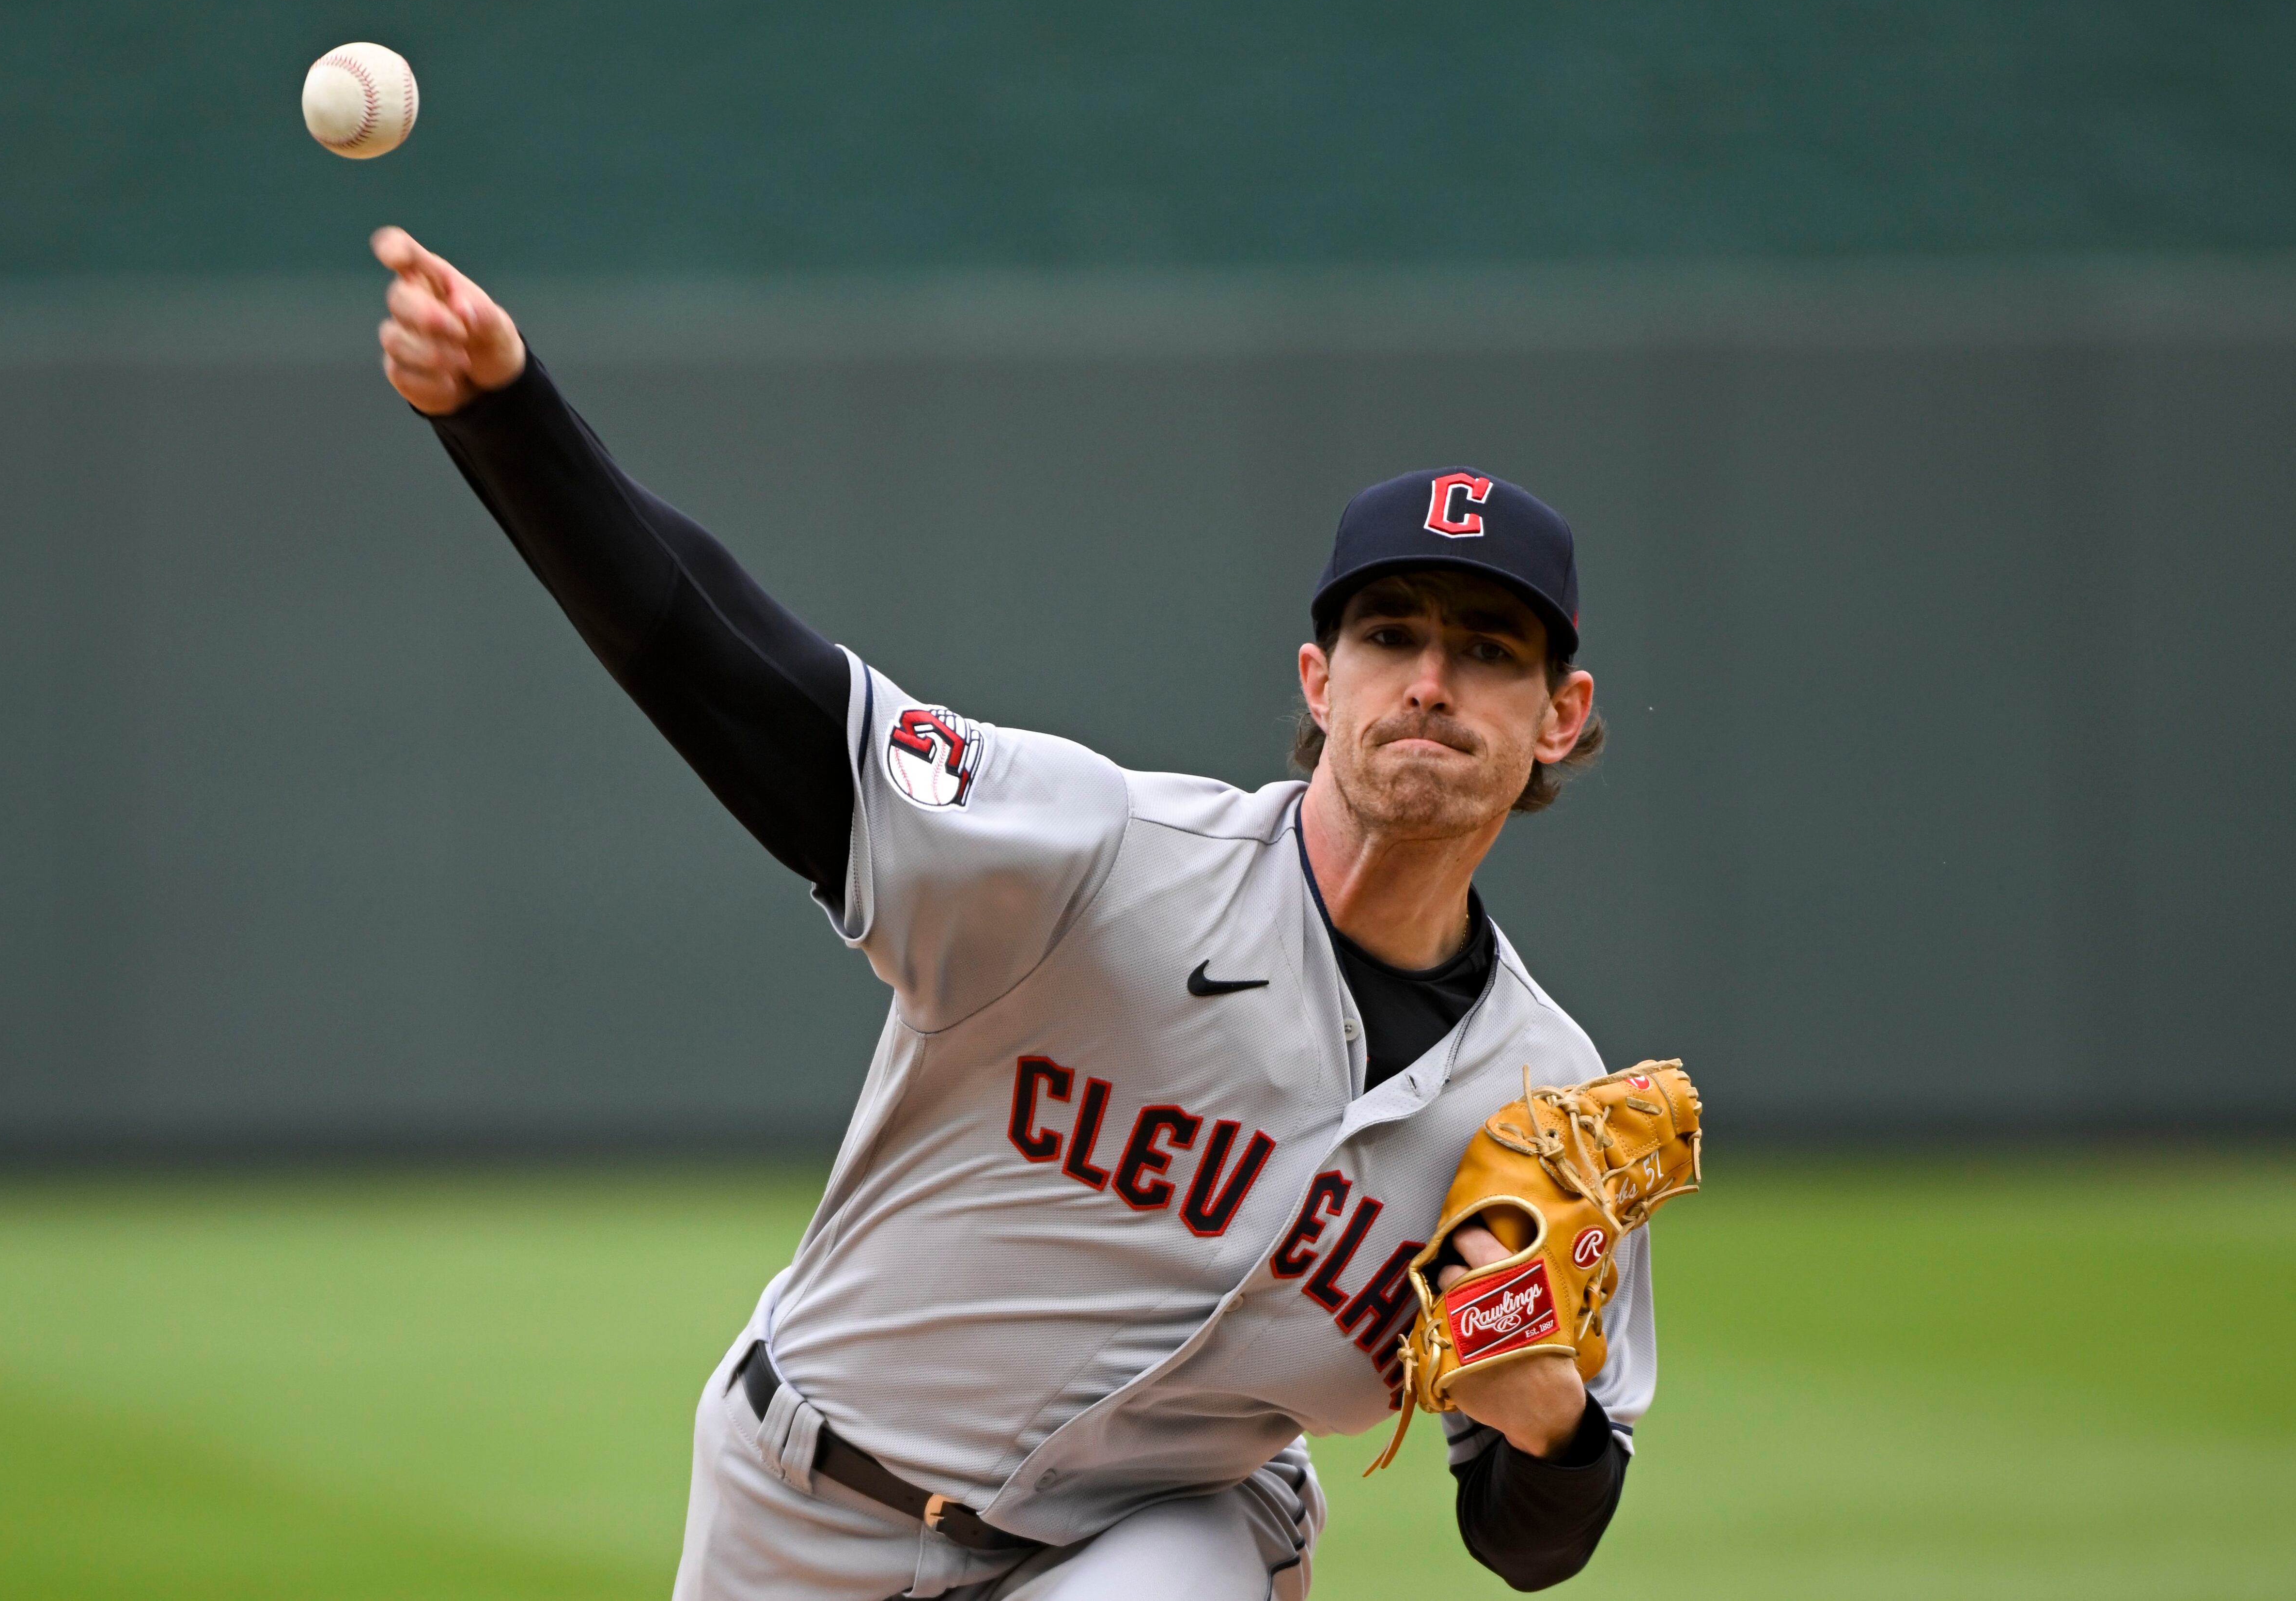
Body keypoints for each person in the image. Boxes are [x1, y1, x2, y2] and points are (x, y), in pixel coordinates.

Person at [371, 225, 1643, 1598]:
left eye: (1490, 651)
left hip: (1158, 1534)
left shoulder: (1546, 1107)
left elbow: (1532, 1536)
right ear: (1321, 681)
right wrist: (507, 421)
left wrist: (1550, 1426)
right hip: (801, 1500)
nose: (1432, 681)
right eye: (1391, 635)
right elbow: (740, 679)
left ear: (1560, 718)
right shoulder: (1101, 855)